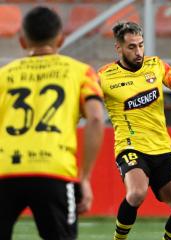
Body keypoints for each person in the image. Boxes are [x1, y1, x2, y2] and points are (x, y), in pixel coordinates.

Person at [0, 6, 104, 240]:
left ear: (22, 41)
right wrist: (85, 177)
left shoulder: (3, 75)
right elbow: (96, 118)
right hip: (54, 170)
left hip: (5, 170)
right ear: (61, 39)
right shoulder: (81, 72)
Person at [98, 21, 171, 240]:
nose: (138, 51)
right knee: (136, 193)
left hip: (162, 149)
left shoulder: (156, 66)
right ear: (119, 48)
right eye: (132, 47)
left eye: (141, 45)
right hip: (130, 146)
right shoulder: (105, 76)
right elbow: (87, 102)